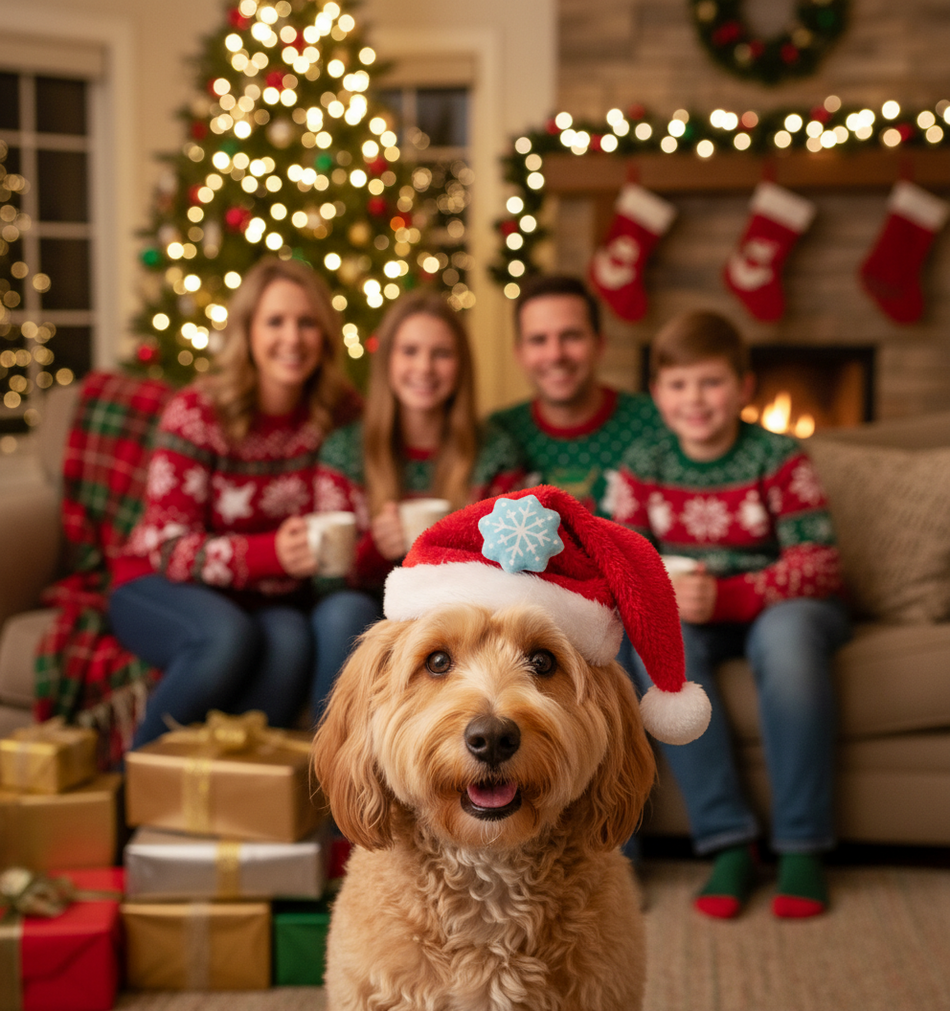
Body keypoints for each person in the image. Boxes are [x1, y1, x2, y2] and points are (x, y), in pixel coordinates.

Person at [607, 309, 851, 919]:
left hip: (784, 608)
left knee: (788, 643)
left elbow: (819, 561)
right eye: (679, 384)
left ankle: (802, 845)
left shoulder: (777, 455)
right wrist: (667, 598)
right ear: (658, 393)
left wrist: (734, 595)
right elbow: (625, 562)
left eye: (711, 382)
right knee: (661, 649)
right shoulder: (644, 464)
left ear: (744, 387)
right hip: (689, 613)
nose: (695, 399)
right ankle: (727, 841)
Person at [108, 257, 379, 748]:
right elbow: (170, 547)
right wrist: (271, 553)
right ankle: (131, 784)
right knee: (225, 637)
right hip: (156, 580)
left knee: (292, 640)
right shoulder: (196, 412)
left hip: (265, 598)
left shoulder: (341, 413)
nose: (292, 338)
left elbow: (344, 518)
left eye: (307, 323)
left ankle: (242, 790)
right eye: (275, 321)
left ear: (326, 335)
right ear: (247, 332)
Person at [314, 289, 524, 689]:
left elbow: (513, 568)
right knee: (340, 612)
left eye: (441, 353)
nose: (424, 367)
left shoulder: (494, 452)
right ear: (388, 360)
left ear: (461, 365)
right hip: (367, 604)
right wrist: (377, 549)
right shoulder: (345, 450)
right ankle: (332, 750)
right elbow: (327, 579)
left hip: (465, 611)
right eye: (409, 351)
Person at [488, 273, 661, 515]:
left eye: (571, 336)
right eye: (538, 340)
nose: (555, 354)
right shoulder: (497, 435)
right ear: (519, 353)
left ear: (599, 345)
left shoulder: (656, 422)